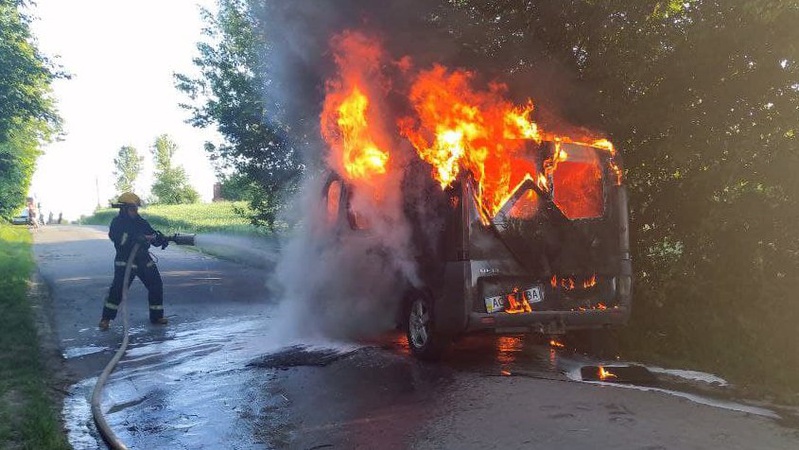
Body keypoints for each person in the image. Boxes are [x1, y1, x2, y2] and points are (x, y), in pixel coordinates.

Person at [99, 192, 170, 330]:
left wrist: (159, 239)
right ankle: (105, 319)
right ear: (124, 209)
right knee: (117, 290)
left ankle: (156, 316)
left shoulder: (141, 222)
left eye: (136, 208)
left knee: (156, 285)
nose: (135, 211)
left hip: (143, 259)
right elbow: (118, 239)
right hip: (125, 261)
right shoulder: (117, 223)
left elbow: (151, 234)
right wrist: (135, 238)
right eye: (133, 208)